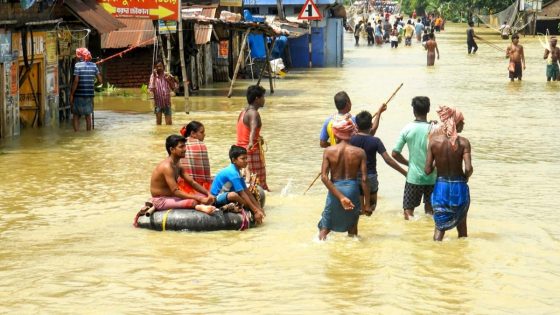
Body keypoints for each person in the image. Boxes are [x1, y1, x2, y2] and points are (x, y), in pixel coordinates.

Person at [425, 106, 472, 241]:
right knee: (462, 227)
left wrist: (437, 161)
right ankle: (460, 257)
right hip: (459, 187)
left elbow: (427, 170)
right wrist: (465, 177)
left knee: (440, 226)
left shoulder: (434, 142)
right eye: (462, 121)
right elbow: (468, 168)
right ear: (456, 123)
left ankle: (436, 254)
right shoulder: (464, 143)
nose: (463, 123)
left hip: (441, 187)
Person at [317, 117, 369, 240]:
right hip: (352, 190)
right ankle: (353, 256)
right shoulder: (360, 152)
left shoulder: (329, 151)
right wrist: (366, 204)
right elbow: (364, 180)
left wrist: (340, 197)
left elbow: (324, 177)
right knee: (352, 230)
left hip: (335, 190)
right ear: (351, 134)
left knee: (325, 228)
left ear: (336, 135)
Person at [350, 110, 407, 215]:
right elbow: (388, 160)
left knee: (360, 210)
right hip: (371, 177)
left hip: (355, 177)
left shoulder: (351, 140)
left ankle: (362, 226)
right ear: (370, 125)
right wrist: (404, 172)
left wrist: (379, 112)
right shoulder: (375, 141)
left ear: (356, 126)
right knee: (371, 207)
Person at [392, 96, 437, 220]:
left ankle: (411, 234)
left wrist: (409, 163)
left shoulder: (407, 129)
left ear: (413, 110)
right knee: (430, 211)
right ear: (428, 109)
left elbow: (395, 153)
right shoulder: (435, 129)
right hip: (432, 177)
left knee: (408, 211)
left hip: (413, 178)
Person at [150, 135, 216, 214]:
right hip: (161, 200)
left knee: (205, 197)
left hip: (172, 197)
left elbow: (192, 182)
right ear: (172, 149)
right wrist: (197, 198)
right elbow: (175, 191)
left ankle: (201, 205)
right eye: (181, 147)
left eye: (185, 146)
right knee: (193, 201)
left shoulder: (178, 164)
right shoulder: (167, 167)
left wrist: (208, 193)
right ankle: (200, 207)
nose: (185, 149)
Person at [210, 145, 265, 224]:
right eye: (243, 158)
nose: (246, 161)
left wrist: (259, 208)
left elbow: (247, 192)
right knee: (234, 195)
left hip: (226, 195)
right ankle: (250, 208)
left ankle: (252, 208)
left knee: (249, 193)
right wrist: (255, 211)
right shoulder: (233, 173)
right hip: (216, 198)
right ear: (234, 160)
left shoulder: (237, 171)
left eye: (246, 158)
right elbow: (242, 194)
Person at [319, 91, 385, 148]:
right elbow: (370, 133)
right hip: (352, 158)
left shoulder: (328, 122)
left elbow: (322, 143)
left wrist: (334, 146)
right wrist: (379, 112)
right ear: (348, 103)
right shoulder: (353, 121)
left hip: (335, 158)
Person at [236, 85, 269, 191]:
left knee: (248, 182)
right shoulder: (254, 113)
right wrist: (251, 142)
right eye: (263, 97)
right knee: (259, 185)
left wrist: (259, 138)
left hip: (240, 151)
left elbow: (246, 130)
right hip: (251, 152)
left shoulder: (243, 112)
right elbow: (253, 129)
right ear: (257, 99)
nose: (264, 99)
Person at [70, 47, 102, 132]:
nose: (76, 57)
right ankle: (88, 133)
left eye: (77, 55)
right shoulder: (94, 65)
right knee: (88, 116)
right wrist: (93, 86)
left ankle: (76, 133)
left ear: (80, 56)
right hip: (89, 95)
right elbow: (100, 81)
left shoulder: (77, 66)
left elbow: (76, 81)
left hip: (78, 95)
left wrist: (72, 94)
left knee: (76, 115)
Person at [178, 121, 213, 194]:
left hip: (181, 187)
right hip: (200, 188)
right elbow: (206, 175)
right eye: (202, 132)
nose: (204, 134)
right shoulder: (201, 145)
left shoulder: (179, 144)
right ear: (193, 133)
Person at [149, 60, 178, 125]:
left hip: (167, 103)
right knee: (158, 124)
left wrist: (169, 80)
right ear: (155, 67)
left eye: (160, 66)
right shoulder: (153, 76)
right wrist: (154, 77)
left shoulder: (168, 75)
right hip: (158, 103)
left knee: (169, 124)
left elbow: (174, 87)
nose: (159, 68)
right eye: (157, 66)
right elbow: (151, 89)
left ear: (163, 67)